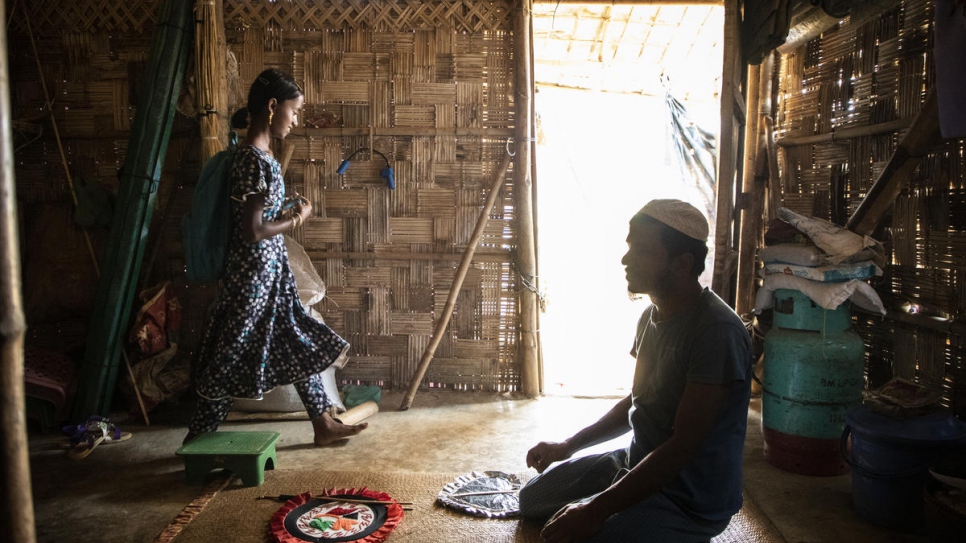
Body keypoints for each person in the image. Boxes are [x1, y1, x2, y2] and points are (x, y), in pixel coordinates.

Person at [518, 199, 753, 542]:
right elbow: (638, 400)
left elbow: (682, 447)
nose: (626, 259)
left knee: (586, 535)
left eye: (640, 250)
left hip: (688, 497)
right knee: (531, 500)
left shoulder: (717, 332)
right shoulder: (651, 315)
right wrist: (567, 446)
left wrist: (595, 510)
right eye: (629, 247)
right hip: (637, 462)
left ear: (682, 263)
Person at [183, 68, 367, 446]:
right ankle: (197, 436)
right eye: (294, 111)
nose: (296, 120)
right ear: (272, 107)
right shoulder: (253, 159)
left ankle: (323, 424)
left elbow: (255, 218)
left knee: (294, 339)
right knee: (229, 353)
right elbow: (251, 230)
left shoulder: (256, 156)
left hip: (269, 275)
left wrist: (282, 211)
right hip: (252, 279)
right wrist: (295, 219)